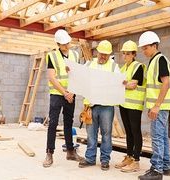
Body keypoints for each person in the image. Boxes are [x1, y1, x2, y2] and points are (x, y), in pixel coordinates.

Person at [137, 31, 170, 180]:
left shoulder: (160, 60)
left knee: (157, 138)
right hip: (160, 106)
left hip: (160, 107)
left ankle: (156, 170)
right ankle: (165, 166)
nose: (143, 50)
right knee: (163, 137)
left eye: (145, 47)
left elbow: (165, 83)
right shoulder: (154, 61)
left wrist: (156, 106)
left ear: (154, 45)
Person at [43, 29, 83, 168]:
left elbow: (76, 75)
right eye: (64, 44)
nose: (67, 46)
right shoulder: (52, 56)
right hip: (57, 94)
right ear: (58, 44)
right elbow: (51, 77)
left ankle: (70, 151)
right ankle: (49, 153)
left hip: (70, 94)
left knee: (68, 122)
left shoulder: (75, 55)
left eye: (68, 43)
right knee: (53, 123)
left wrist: (71, 92)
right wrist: (65, 92)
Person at [78, 40, 119, 171]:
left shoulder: (114, 67)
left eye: (106, 55)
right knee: (91, 134)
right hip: (91, 106)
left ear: (109, 55)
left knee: (106, 133)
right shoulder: (89, 64)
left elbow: (119, 84)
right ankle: (90, 158)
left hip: (106, 106)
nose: (103, 57)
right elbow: (79, 77)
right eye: (101, 54)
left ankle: (105, 160)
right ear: (97, 53)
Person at [115, 40, 146, 173]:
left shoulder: (138, 67)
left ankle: (136, 161)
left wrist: (123, 83)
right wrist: (123, 83)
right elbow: (120, 84)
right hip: (124, 104)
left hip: (134, 105)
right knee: (128, 131)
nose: (125, 56)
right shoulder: (123, 68)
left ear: (134, 54)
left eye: (128, 54)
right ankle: (129, 157)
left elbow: (133, 85)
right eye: (124, 53)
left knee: (135, 131)